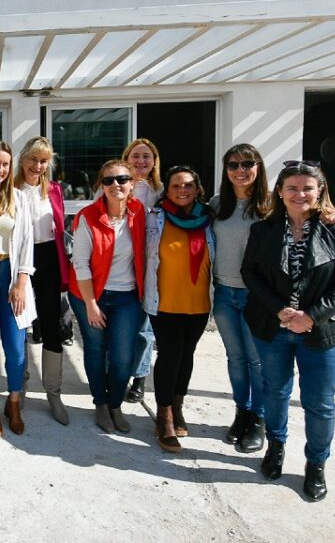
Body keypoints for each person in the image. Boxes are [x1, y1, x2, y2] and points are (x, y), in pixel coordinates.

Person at [241, 161, 335, 502]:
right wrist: (279, 308)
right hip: (272, 326)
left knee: (319, 402)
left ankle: (316, 464)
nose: (300, 194)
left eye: (307, 187)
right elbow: (250, 273)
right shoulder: (263, 230)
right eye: (292, 187)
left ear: (320, 190)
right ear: (280, 191)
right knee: (275, 391)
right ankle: (275, 447)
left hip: (321, 332)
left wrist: (311, 317)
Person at [68, 160, 146, 434]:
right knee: (95, 348)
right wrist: (91, 304)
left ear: (132, 184)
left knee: (123, 356)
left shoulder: (140, 213)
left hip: (127, 296)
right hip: (89, 293)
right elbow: (80, 263)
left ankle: (115, 405)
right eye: (108, 180)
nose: (116, 185)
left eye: (122, 179)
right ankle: (100, 403)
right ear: (100, 186)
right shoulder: (88, 217)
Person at [144, 165, 215, 453]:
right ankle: (164, 417)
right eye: (175, 185)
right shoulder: (155, 217)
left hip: (199, 302)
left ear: (198, 189)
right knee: (170, 355)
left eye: (188, 185)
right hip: (165, 302)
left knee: (187, 355)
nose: (182, 190)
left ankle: (177, 405)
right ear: (167, 190)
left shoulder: (210, 218)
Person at [210, 144, 271, 453]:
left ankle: (258, 418)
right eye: (233, 165)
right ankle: (241, 411)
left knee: (257, 361)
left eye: (247, 163)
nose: (240, 170)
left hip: (256, 295)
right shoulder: (218, 204)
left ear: (258, 167)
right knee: (235, 358)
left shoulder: (272, 205)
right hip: (224, 292)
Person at [0, 141, 36, 438]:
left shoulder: (18, 198)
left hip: (12, 275)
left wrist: (22, 283)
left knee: (15, 347)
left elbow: (26, 242)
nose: (0, 169)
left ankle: (14, 401)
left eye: (5, 164)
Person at [16, 136, 70, 425]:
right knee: (20, 325)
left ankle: (53, 392)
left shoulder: (55, 191)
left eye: (43, 161)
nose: (37, 165)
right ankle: (21, 385)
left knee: (51, 324)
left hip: (48, 258)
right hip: (19, 259)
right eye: (33, 159)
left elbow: (60, 230)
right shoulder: (11, 190)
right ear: (23, 159)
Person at [121, 138, 163, 403]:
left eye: (146, 156)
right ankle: (116, 372)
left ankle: (139, 377)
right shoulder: (116, 185)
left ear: (154, 161)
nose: (141, 161)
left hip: (151, 266)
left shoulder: (161, 191)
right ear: (126, 159)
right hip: (121, 264)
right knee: (120, 324)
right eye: (135, 156)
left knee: (144, 327)